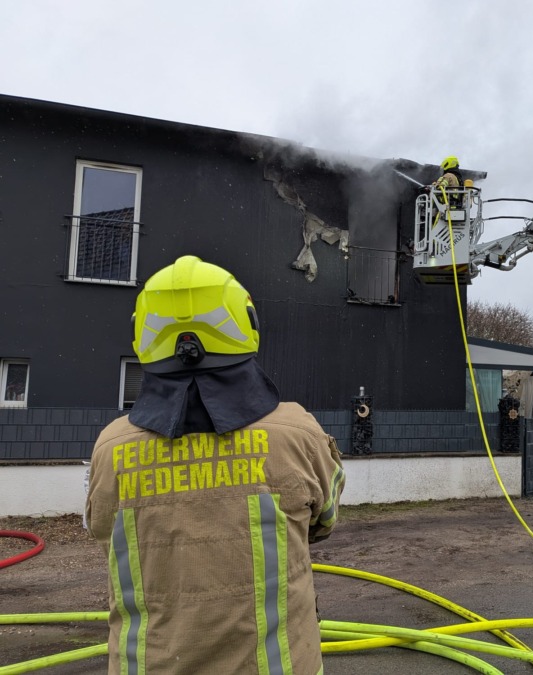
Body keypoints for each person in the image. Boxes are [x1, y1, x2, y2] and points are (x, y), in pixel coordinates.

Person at [86, 255, 345, 675]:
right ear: (246, 324)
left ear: (143, 334)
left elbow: (104, 533)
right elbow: (324, 522)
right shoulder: (298, 432)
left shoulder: (111, 447)